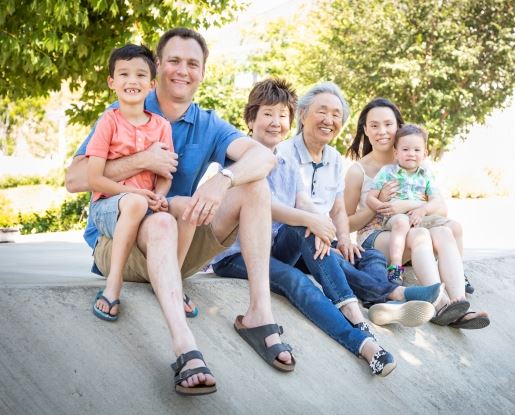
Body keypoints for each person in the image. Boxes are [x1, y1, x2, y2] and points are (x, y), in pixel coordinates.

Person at [65, 28, 294, 396]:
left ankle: (259, 316)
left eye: (192, 63)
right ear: (158, 66)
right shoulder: (124, 109)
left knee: (253, 186)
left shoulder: (207, 123)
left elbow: (264, 157)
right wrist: (141, 160)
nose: (182, 70)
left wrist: (222, 180)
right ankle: (186, 349)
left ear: (203, 72)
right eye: (173, 61)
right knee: (160, 222)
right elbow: (75, 179)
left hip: (180, 244)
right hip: (124, 245)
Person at [212, 78, 400, 376]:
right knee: (296, 279)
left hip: (272, 246)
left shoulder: (284, 160)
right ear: (251, 119)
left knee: (314, 234)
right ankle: (363, 343)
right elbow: (263, 206)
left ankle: (354, 310)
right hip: (234, 256)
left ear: (291, 120)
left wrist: (322, 227)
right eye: (267, 115)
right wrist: (311, 221)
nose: (275, 123)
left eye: (281, 116)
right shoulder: (237, 158)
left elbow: (303, 203)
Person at [276, 82, 443, 328]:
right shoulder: (284, 153)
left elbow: (338, 209)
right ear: (302, 114)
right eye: (322, 112)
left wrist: (344, 240)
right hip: (287, 238)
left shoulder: (332, 158)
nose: (328, 119)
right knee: (328, 254)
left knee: (369, 255)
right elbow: (285, 212)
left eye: (336, 115)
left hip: (320, 233)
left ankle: (378, 305)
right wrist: (321, 232)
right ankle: (394, 294)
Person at [344, 97, 490, 330]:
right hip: (376, 236)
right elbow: (346, 224)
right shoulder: (358, 171)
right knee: (419, 235)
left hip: (412, 228)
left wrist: (408, 205)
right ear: (365, 130)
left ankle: (459, 301)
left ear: (398, 127)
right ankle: (439, 304)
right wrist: (377, 204)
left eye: (388, 124)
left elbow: (441, 206)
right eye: (374, 125)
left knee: (444, 230)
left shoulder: (412, 159)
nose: (382, 131)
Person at [87, 44, 196, 322]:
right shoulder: (108, 122)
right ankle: (113, 285)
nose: (131, 81)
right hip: (109, 207)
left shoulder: (161, 126)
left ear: (151, 84)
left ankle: (174, 280)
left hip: (144, 202)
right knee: (135, 201)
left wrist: (159, 195)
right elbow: (94, 178)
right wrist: (135, 193)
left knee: (187, 208)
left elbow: (165, 175)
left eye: (139, 75)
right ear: (112, 82)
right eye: (123, 74)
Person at [366, 124, 450, 285]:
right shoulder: (387, 172)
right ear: (396, 153)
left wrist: (423, 210)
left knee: (453, 227)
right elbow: (370, 197)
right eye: (405, 150)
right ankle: (395, 266)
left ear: (424, 154)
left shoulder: (425, 175)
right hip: (394, 216)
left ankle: (458, 271)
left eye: (417, 150)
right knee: (402, 221)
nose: (411, 154)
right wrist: (379, 207)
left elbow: (436, 200)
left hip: (419, 215)